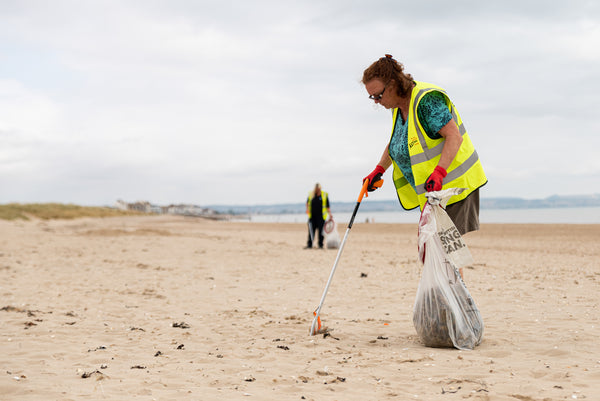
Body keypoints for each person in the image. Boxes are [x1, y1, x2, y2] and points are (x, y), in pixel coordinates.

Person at [361, 54, 487, 275]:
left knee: (440, 254)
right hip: (433, 195)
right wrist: (379, 169)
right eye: (372, 98)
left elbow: (454, 137)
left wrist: (440, 172)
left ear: (393, 85)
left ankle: (454, 305)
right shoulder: (398, 108)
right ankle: (449, 303)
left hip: (453, 188)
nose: (377, 102)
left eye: (378, 96)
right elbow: (397, 142)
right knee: (434, 254)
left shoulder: (426, 100)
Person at [305, 183, 331, 249]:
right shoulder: (311, 194)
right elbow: (307, 203)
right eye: (317, 189)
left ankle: (320, 245)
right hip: (312, 216)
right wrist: (307, 209)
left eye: (319, 189)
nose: (318, 190)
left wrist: (330, 214)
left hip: (321, 217)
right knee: (311, 231)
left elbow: (327, 206)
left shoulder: (324, 195)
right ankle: (310, 244)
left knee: (321, 232)